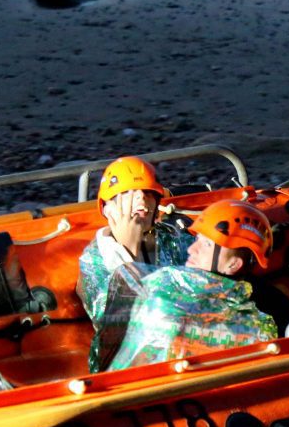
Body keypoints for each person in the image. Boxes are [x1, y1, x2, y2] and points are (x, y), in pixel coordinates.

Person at [102, 199, 278, 372]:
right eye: (198, 240)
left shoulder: (163, 300)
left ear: (233, 265)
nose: (191, 250)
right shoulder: (261, 324)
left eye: (207, 244)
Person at [77, 156, 193, 371]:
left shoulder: (171, 238)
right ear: (107, 208)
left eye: (149, 193)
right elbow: (117, 324)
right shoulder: (94, 260)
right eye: (128, 193)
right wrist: (130, 252)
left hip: (187, 342)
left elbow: (205, 280)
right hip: (127, 359)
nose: (141, 198)